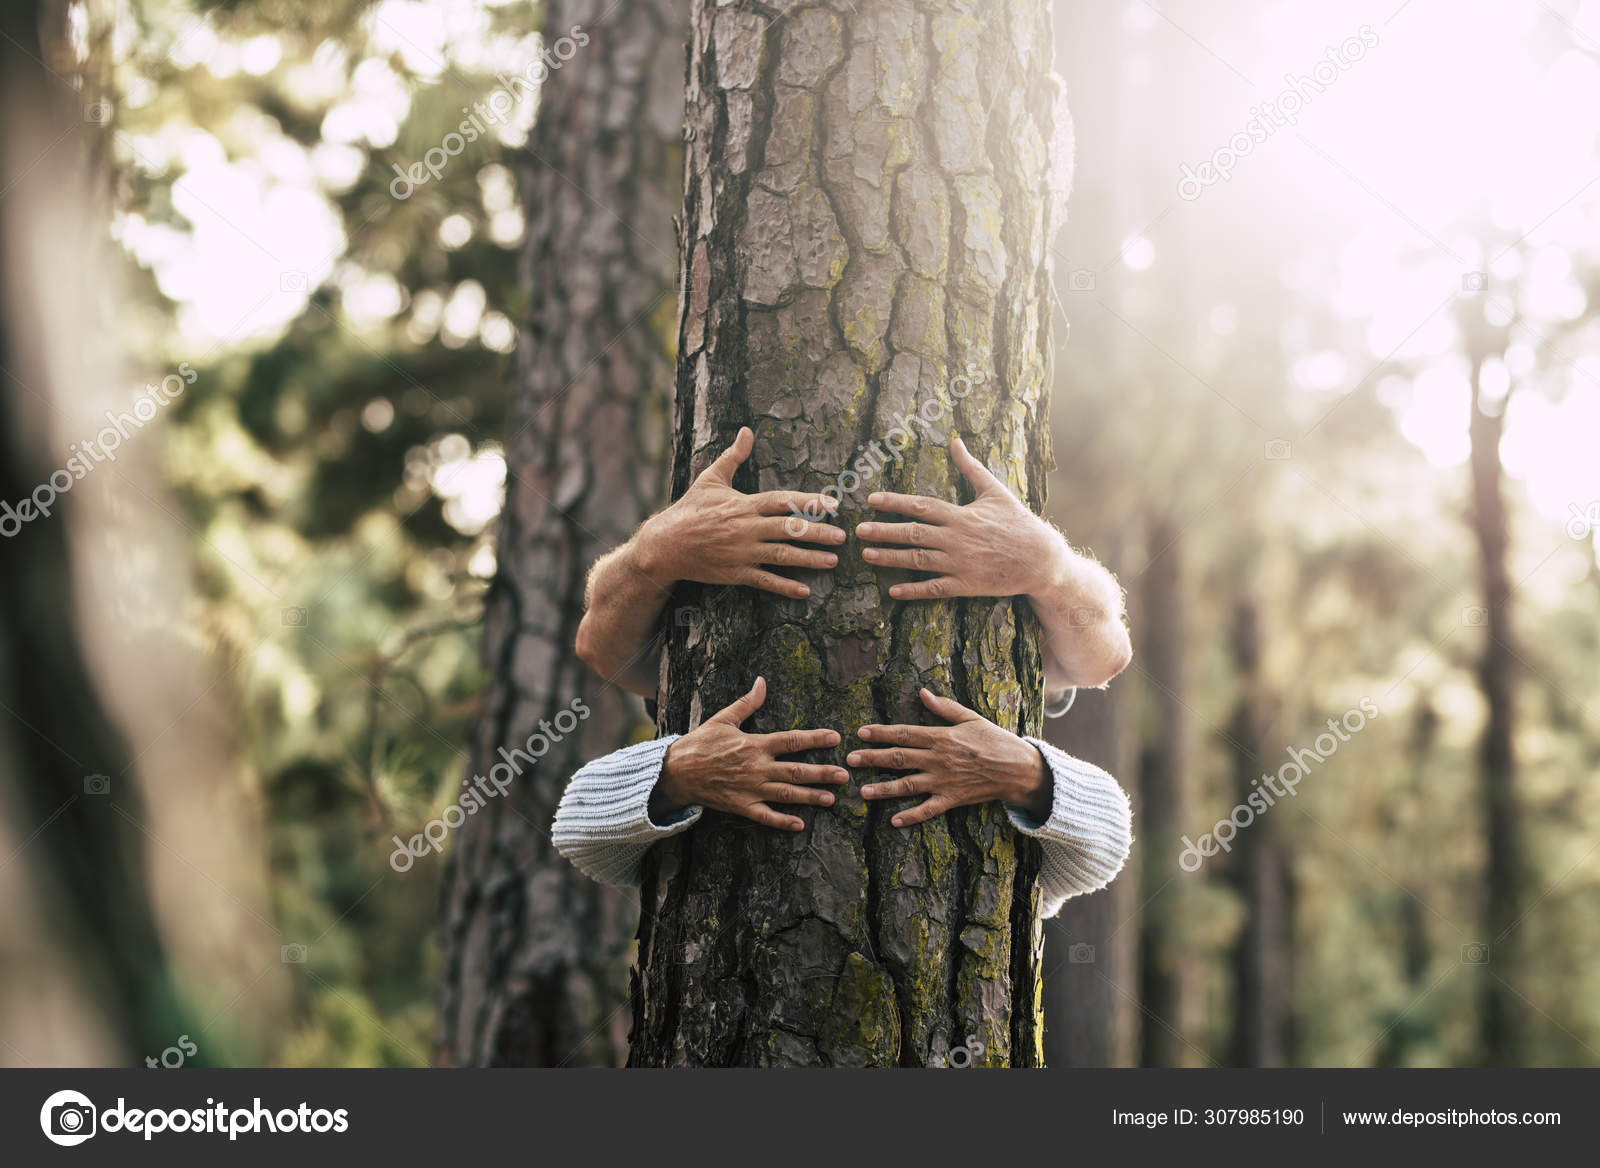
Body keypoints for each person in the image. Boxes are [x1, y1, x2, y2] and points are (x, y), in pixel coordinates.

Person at [554, 428, 1134, 916]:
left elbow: (1107, 659)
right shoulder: (675, 667)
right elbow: (578, 820)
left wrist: (1050, 570)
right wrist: (654, 551)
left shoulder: (1032, 666)